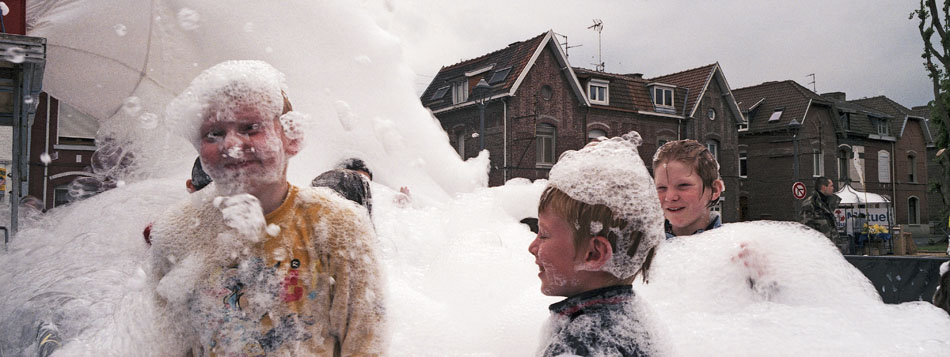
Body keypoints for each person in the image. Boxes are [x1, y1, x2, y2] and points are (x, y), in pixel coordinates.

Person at [147, 60, 385, 355]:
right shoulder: (176, 232)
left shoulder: (337, 225)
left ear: (292, 139)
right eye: (214, 133)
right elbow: (171, 344)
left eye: (251, 128)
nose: (230, 145)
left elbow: (366, 344)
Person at [529, 132, 667, 356]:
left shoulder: (578, 346)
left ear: (594, 253)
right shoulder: (635, 321)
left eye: (543, 235)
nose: (532, 247)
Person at [652, 140, 724, 238]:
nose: (670, 197)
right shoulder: (641, 248)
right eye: (661, 188)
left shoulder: (738, 248)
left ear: (714, 190)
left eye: (683, 185)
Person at [799, 176, 845, 252]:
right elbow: (806, 230)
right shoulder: (810, 204)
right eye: (831, 186)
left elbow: (832, 229)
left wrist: (838, 246)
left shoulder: (828, 204)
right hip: (819, 251)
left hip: (832, 251)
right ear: (824, 187)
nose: (833, 188)